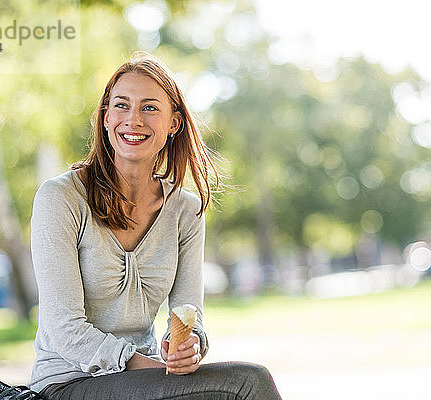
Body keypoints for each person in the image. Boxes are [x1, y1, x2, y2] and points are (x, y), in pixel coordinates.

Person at [28, 52, 282, 400]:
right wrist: (151, 368)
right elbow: (64, 331)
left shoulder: (185, 210)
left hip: (147, 379)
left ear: (174, 123)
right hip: (67, 384)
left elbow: (190, 313)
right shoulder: (61, 198)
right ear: (105, 118)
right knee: (247, 383)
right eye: (121, 106)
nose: (133, 120)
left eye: (149, 108)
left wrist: (190, 346)